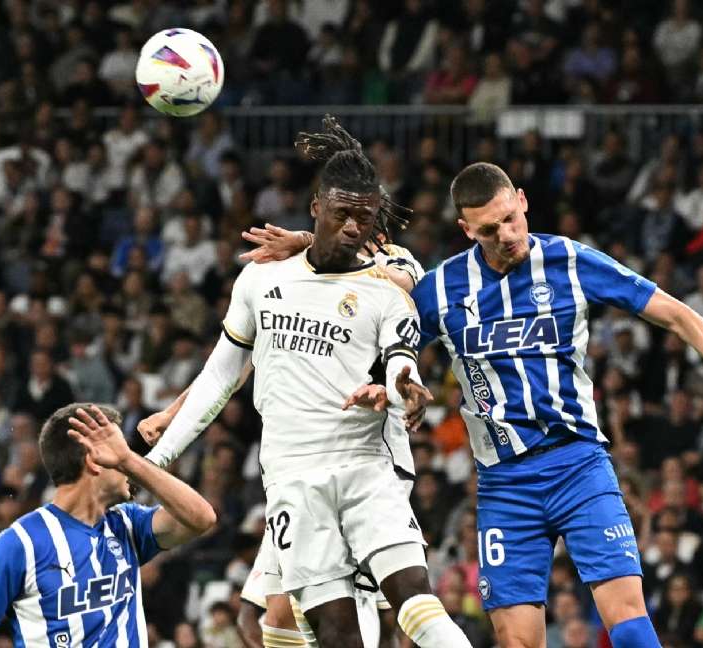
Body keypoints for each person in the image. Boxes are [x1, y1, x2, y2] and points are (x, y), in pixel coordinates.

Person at [246, 161, 703, 647]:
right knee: (515, 640)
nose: (507, 235)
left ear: (522, 201)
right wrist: (308, 248)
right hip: (504, 483)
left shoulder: (570, 261)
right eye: (489, 230)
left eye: (511, 219)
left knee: (628, 623)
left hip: (579, 464)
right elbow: (373, 289)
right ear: (467, 230)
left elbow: (675, 312)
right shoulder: (444, 287)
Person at [143, 117, 472, 648]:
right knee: (287, 622)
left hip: (369, 462)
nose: (353, 227)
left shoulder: (390, 279)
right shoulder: (262, 277)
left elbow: (401, 351)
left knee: (407, 600)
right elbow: (226, 370)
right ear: (317, 206)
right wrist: (159, 451)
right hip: (291, 475)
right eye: (342, 214)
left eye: (365, 217)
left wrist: (401, 386)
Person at [0, 404, 217, 647]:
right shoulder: (20, 542)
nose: (128, 460)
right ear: (94, 460)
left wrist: (130, 461)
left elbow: (202, 518)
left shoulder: (128, 524)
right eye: (120, 449)